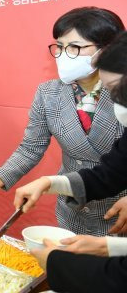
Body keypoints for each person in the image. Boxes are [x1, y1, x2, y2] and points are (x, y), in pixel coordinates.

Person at [0, 7, 125, 235]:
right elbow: (31, 148)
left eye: (75, 47)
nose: (64, 55)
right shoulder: (49, 93)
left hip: (118, 209)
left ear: (107, 49)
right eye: (60, 47)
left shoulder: (121, 90)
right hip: (72, 205)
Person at [13, 32, 127, 292]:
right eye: (61, 46)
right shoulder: (49, 92)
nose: (116, 101)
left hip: (111, 217)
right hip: (76, 213)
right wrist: (50, 182)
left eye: (119, 92)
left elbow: (117, 278)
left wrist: (55, 263)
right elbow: (108, 173)